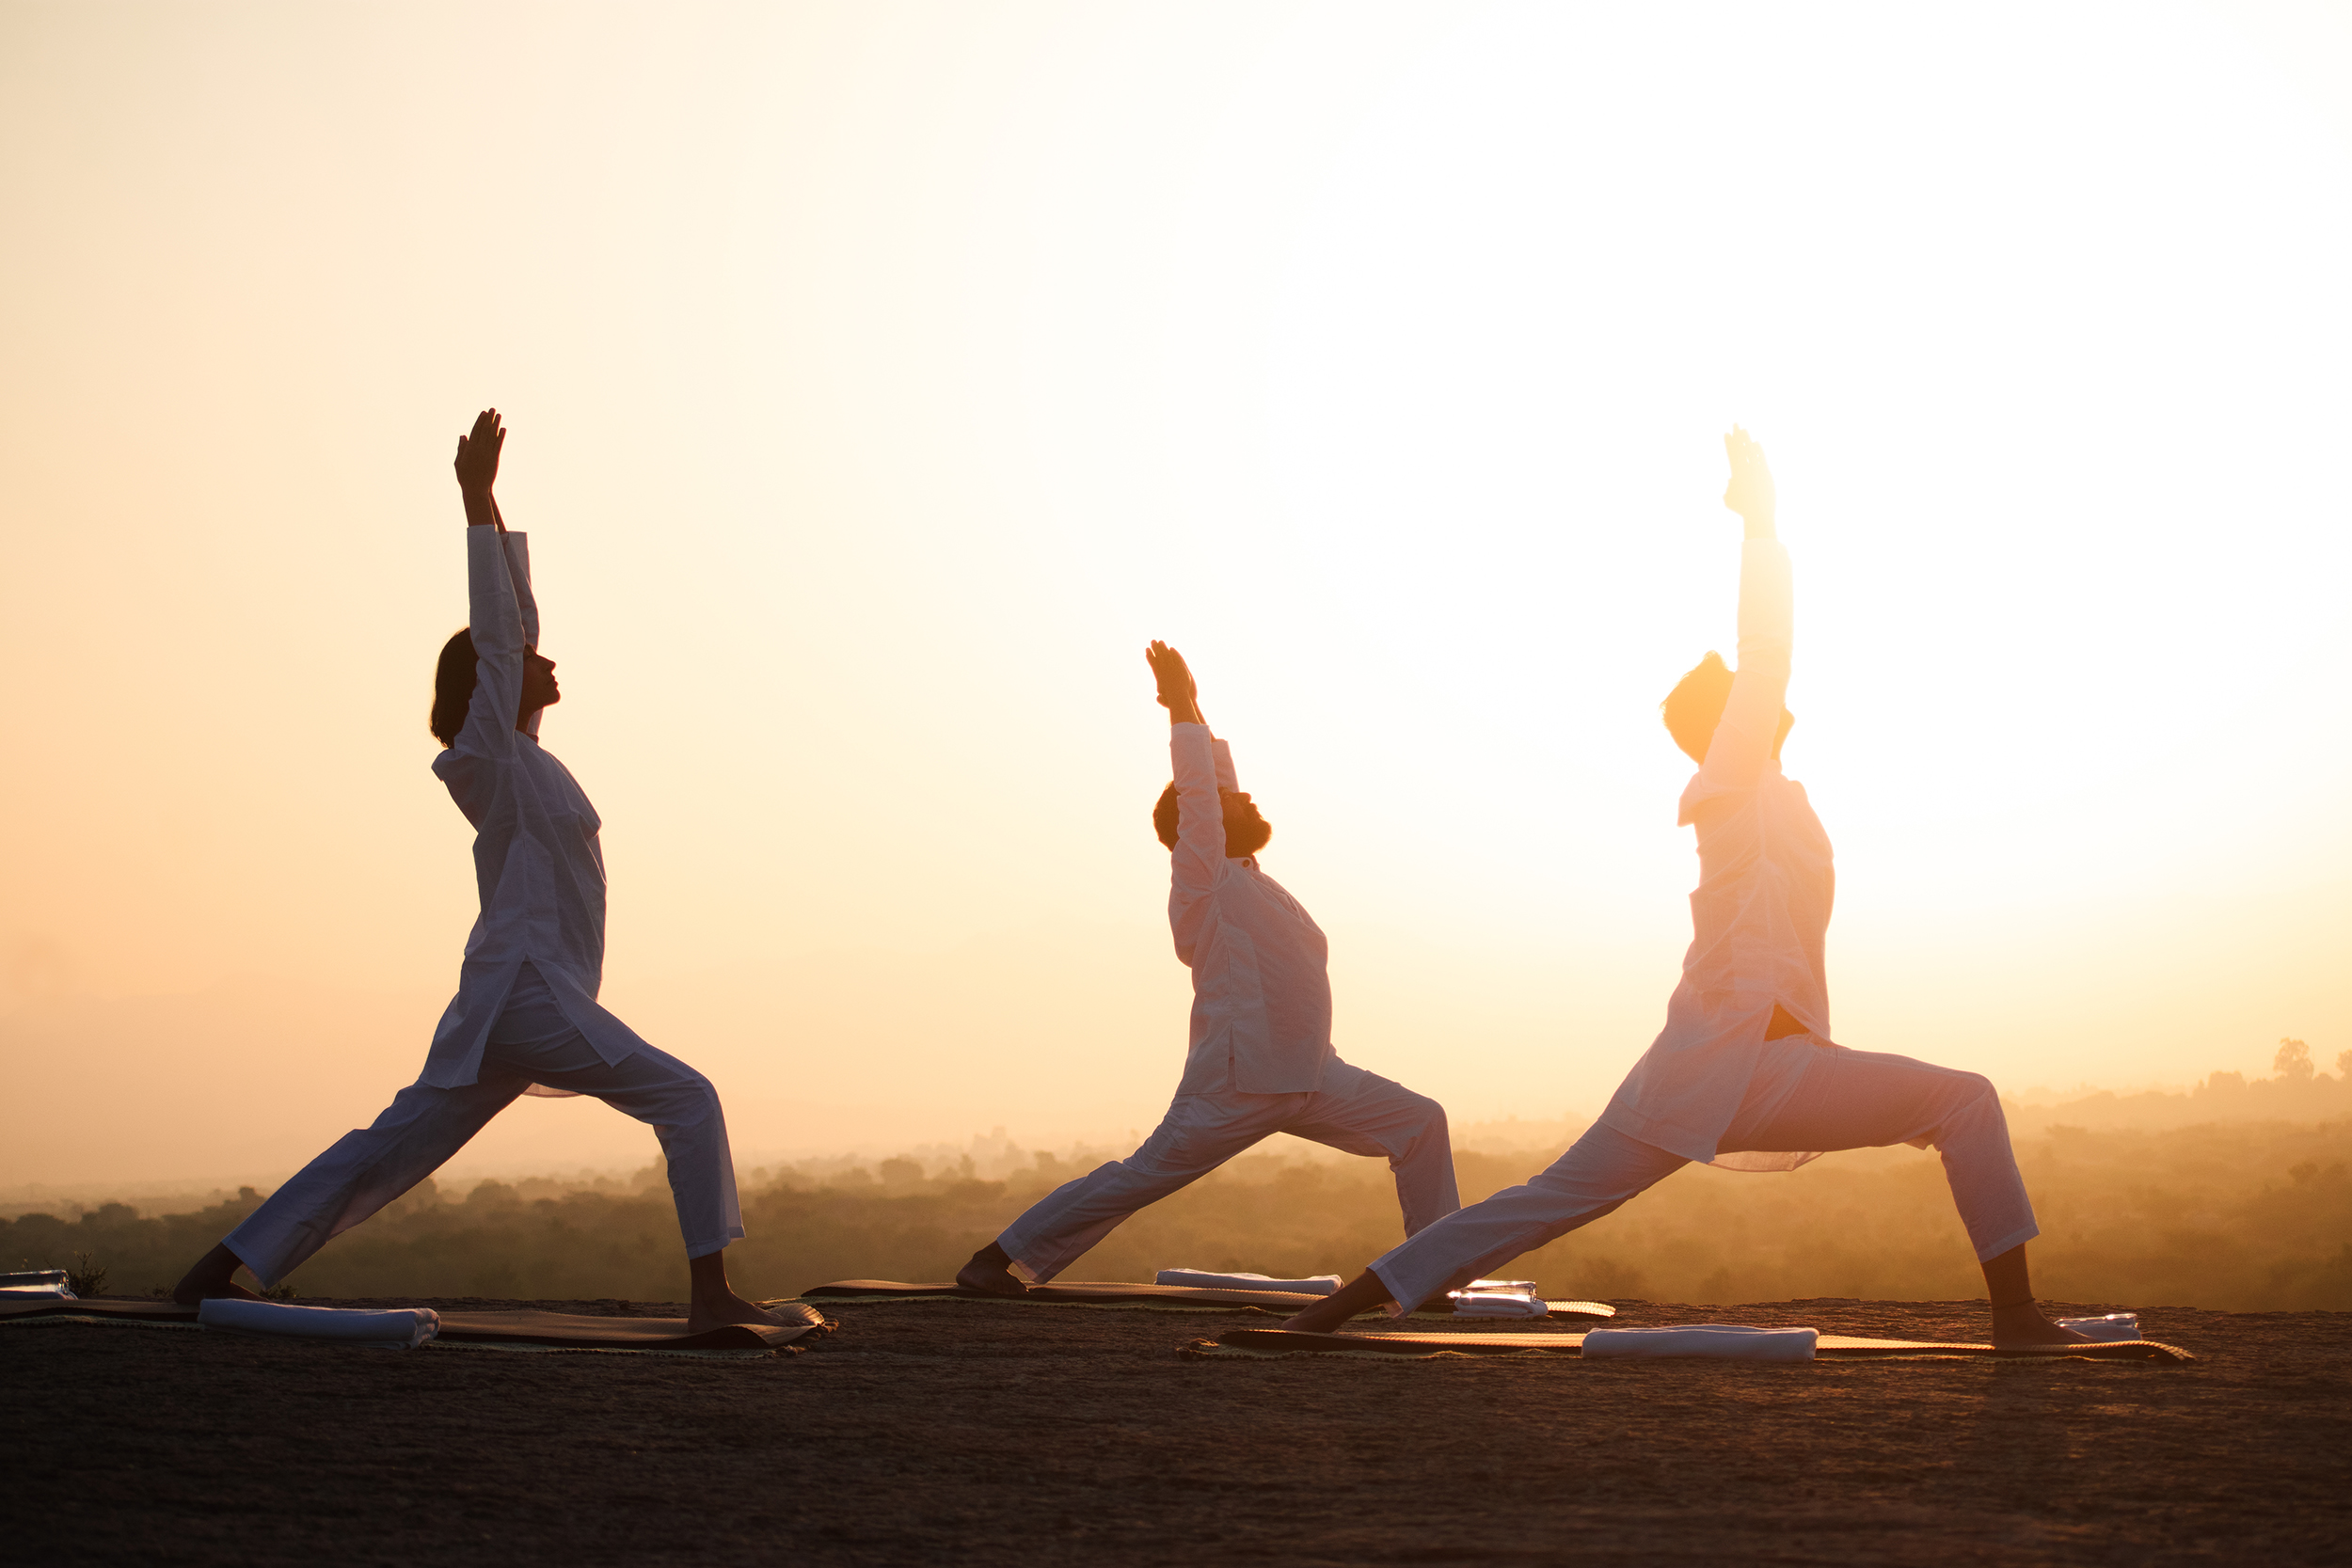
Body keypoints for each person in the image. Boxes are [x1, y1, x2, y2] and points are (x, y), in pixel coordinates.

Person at [1281, 427, 2089, 1348]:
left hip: (1694, 1067)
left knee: (1539, 1200)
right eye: (1738, 694)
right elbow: (1767, 651)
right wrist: (1762, 528)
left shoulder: (1764, 793)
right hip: (1759, 1068)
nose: (1762, 694)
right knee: (1965, 1101)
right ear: (1726, 723)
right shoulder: (1733, 783)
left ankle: (1330, 1313)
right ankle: (2017, 1317)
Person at [173, 409, 785, 1332]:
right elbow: (501, 638)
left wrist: (498, 512)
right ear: (488, 690)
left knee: (388, 1150)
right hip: (531, 990)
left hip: (514, 1001)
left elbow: (516, 619)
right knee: (687, 1096)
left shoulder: (527, 758)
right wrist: (473, 499)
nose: (545, 656)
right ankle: (709, 1295)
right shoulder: (485, 760)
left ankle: (219, 1268)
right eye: (527, 660)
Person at [956, 642, 1460, 1294]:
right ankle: (999, 1259)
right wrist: (1181, 709)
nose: (1246, 798)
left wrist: (1196, 706)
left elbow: (1215, 783)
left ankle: (1432, 1273)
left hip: (1312, 1074)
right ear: (1203, 832)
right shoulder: (1206, 882)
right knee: (1139, 1176)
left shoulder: (1255, 881)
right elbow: (1201, 793)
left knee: (1420, 1122)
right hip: (1235, 1080)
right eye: (1231, 801)